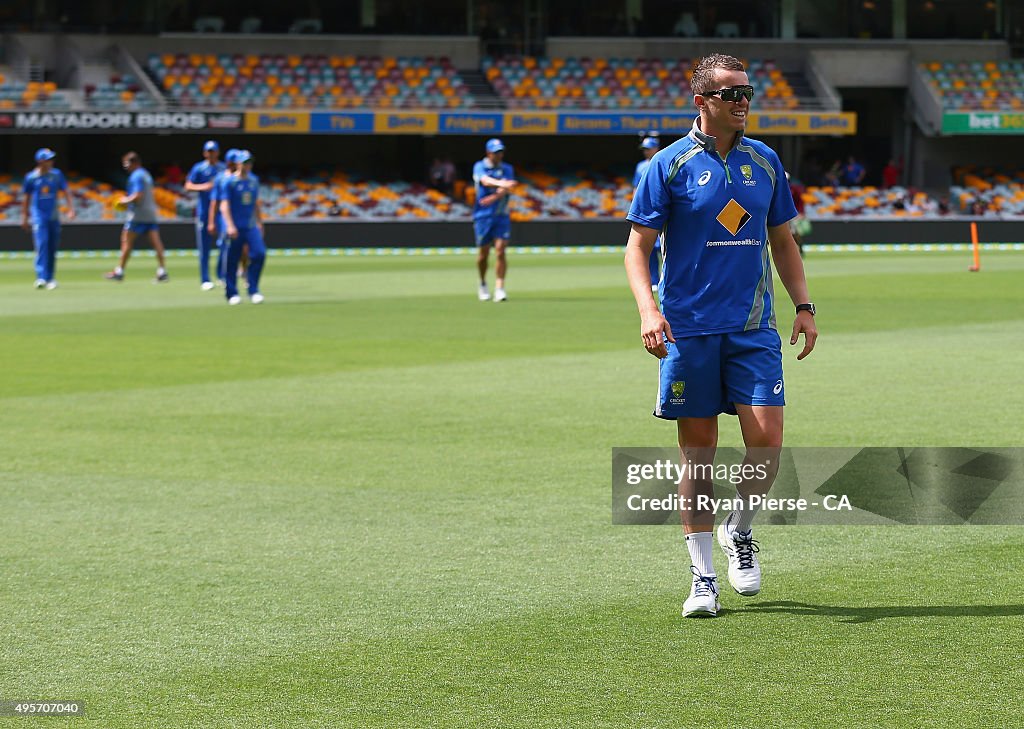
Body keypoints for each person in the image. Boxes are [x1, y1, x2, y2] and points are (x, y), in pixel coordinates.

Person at [624, 54, 817, 618]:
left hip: (755, 326)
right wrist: (647, 311)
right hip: (688, 331)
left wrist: (803, 306)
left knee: (767, 441)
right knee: (698, 457)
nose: (743, 102)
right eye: (731, 94)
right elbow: (637, 248)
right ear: (702, 101)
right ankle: (703, 577)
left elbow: (783, 241)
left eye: (747, 93)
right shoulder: (668, 165)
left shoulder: (766, 161)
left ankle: (741, 528)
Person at [105, 152, 169, 282]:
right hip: (150, 213)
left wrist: (124, 201)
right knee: (156, 243)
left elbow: (137, 196)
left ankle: (120, 271)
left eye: (127, 164)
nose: (126, 167)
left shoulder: (136, 176)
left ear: (134, 163)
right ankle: (162, 271)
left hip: (137, 215)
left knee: (126, 241)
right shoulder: (145, 174)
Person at [21, 147, 75, 289]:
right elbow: (26, 198)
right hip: (39, 216)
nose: (51, 162)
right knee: (42, 244)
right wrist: (25, 217)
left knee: (52, 246)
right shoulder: (31, 177)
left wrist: (71, 209)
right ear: (40, 161)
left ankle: (50, 278)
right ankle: (41, 278)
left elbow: (66, 191)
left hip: (53, 216)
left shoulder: (56, 175)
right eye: (48, 159)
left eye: (52, 159)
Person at [219, 150, 266, 305]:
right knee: (232, 259)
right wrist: (230, 225)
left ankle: (253, 289)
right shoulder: (229, 182)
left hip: (250, 226)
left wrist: (260, 222)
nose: (247, 165)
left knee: (259, 254)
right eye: (244, 162)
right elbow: (224, 205)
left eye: (250, 162)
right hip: (235, 227)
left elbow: (255, 203)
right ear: (238, 164)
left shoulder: (254, 181)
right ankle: (231, 293)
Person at [472, 138, 517, 302]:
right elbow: (484, 180)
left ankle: (500, 287)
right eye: (496, 152)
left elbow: (509, 187)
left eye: (501, 152)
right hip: (483, 216)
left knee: (500, 249)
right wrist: (500, 185)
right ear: (488, 153)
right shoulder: (480, 166)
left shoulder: (507, 168)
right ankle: (483, 283)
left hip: (501, 214)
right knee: (483, 254)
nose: (499, 155)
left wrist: (495, 196)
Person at [185, 140, 226, 290]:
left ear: (218, 152)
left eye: (213, 151)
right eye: (208, 151)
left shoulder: (223, 168)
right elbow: (188, 185)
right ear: (204, 153)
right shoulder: (199, 168)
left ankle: (222, 275)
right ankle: (205, 279)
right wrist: (204, 187)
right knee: (204, 247)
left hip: (221, 212)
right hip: (203, 212)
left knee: (224, 243)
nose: (211, 154)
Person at [634, 135, 662, 292]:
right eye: (644, 149)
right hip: (647, 210)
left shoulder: (662, 161)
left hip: (661, 208)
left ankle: (666, 277)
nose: (646, 152)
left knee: (665, 247)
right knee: (649, 248)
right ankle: (653, 280)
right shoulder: (640, 166)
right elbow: (636, 188)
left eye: (648, 148)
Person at [208, 148, 241, 284]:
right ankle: (222, 275)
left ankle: (239, 272)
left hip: (240, 217)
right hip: (224, 217)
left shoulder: (242, 177)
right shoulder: (221, 178)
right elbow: (215, 202)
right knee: (225, 246)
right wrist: (211, 221)